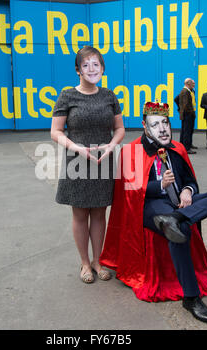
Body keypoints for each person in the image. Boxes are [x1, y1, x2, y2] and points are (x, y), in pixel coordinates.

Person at [100, 102, 207, 323]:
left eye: (165, 123)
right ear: (145, 126)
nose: (162, 129)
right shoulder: (131, 151)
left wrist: (188, 192)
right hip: (152, 206)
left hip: (178, 207)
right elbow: (129, 190)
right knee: (178, 232)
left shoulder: (178, 149)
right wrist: (160, 185)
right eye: (155, 124)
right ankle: (191, 298)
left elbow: (190, 181)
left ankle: (177, 218)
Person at [51, 46, 125, 284]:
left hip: (103, 161)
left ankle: (98, 260)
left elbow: (120, 128)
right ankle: (85, 263)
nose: (91, 69)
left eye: (96, 65)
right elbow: (56, 131)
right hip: (77, 161)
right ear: (78, 70)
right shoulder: (67, 96)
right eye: (86, 65)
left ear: (102, 69)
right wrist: (77, 148)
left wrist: (113, 144)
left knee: (100, 213)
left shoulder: (109, 96)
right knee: (80, 213)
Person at [179, 78, 197, 154]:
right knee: (187, 131)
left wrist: (181, 109)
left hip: (185, 114)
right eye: (191, 83)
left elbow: (178, 100)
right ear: (187, 83)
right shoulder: (186, 91)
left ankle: (183, 146)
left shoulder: (185, 91)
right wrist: (191, 112)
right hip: (188, 114)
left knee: (185, 130)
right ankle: (186, 148)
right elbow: (186, 104)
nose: (193, 85)